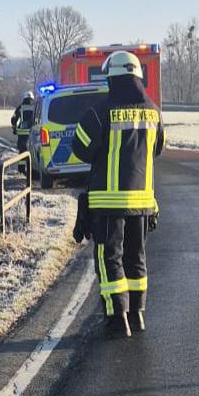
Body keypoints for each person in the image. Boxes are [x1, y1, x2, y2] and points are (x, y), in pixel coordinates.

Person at [70, 51, 164, 338]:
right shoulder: (154, 112)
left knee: (109, 257)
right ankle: (137, 316)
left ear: (112, 79)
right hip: (142, 203)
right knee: (136, 257)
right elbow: (158, 149)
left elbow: (80, 148)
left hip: (108, 203)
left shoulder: (99, 113)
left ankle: (116, 319)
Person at [11, 91, 36, 171]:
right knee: (32, 152)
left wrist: (14, 128)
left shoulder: (21, 107)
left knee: (22, 152)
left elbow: (13, 119)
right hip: (33, 133)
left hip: (22, 133)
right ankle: (31, 170)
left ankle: (21, 170)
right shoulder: (35, 106)